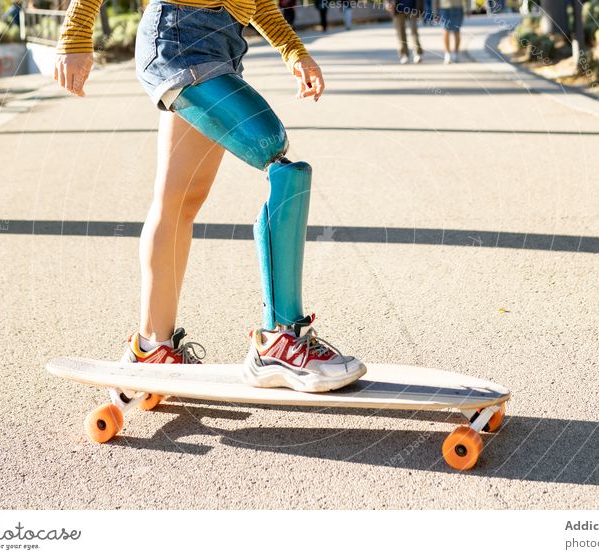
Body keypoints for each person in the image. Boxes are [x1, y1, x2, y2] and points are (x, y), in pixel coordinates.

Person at [53, 0, 366, 393]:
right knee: (281, 161)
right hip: (178, 35)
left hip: (220, 44)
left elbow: (258, 3)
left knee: (179, 199)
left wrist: (294, 51)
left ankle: (154, 346)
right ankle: (280, 341)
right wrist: (76, 35)